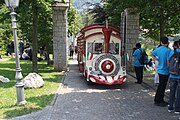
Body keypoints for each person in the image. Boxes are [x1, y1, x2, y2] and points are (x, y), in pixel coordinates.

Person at [151, 36, 171, 107]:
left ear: (161, 42)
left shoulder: (158, 49)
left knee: (161, 86)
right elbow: (169, 62)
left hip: (160, 70)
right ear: (167, 42)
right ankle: (158, 101)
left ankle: (160, 100)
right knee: (162, 86)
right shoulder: (169, 51)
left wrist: (156, 59)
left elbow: (152, 54)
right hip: (166, 71)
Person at [167, 40, 180, 114]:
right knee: (179, 93)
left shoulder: (172, 52)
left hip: (172, 75)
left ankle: (170, 107)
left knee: (172, 91)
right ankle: (177, 109)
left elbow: (168, 62)